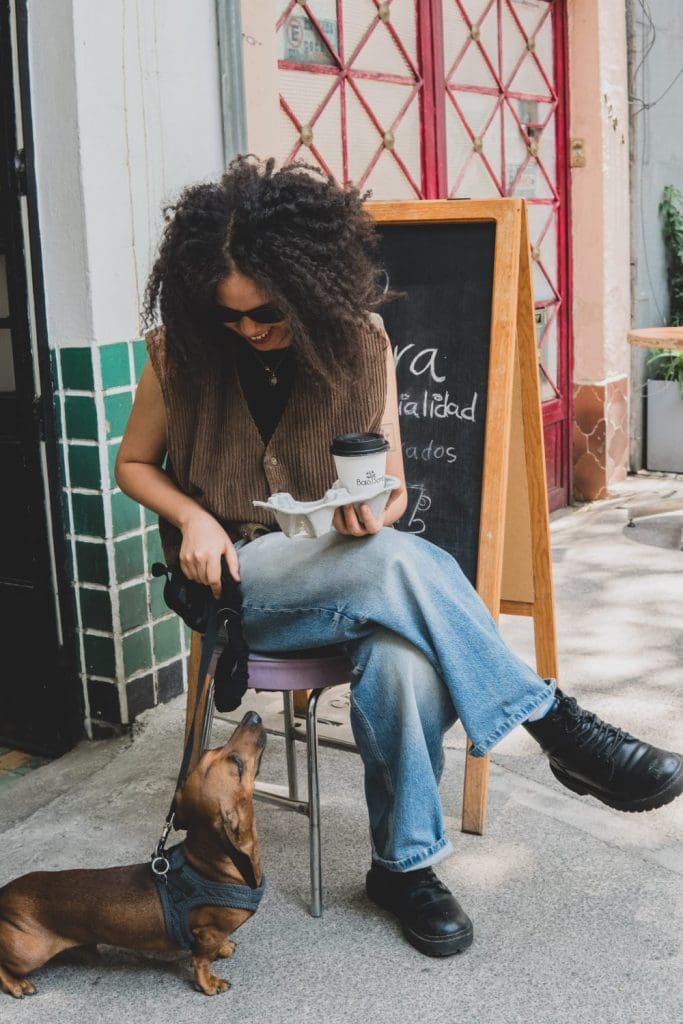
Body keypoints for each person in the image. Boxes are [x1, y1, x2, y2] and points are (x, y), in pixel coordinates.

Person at [116, 156, 683, 958]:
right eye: (228, 314)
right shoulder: (177, 352)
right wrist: (191, 518)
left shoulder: (360, 343)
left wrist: (367, 515)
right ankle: (556, 726)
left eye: (267, 312)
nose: (247, 329)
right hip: (239, 582)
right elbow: (133, 463)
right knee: (396, 563)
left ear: (309, 289)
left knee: (401, 655)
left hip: (345, 571)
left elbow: (392, 492)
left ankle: (403, 868)